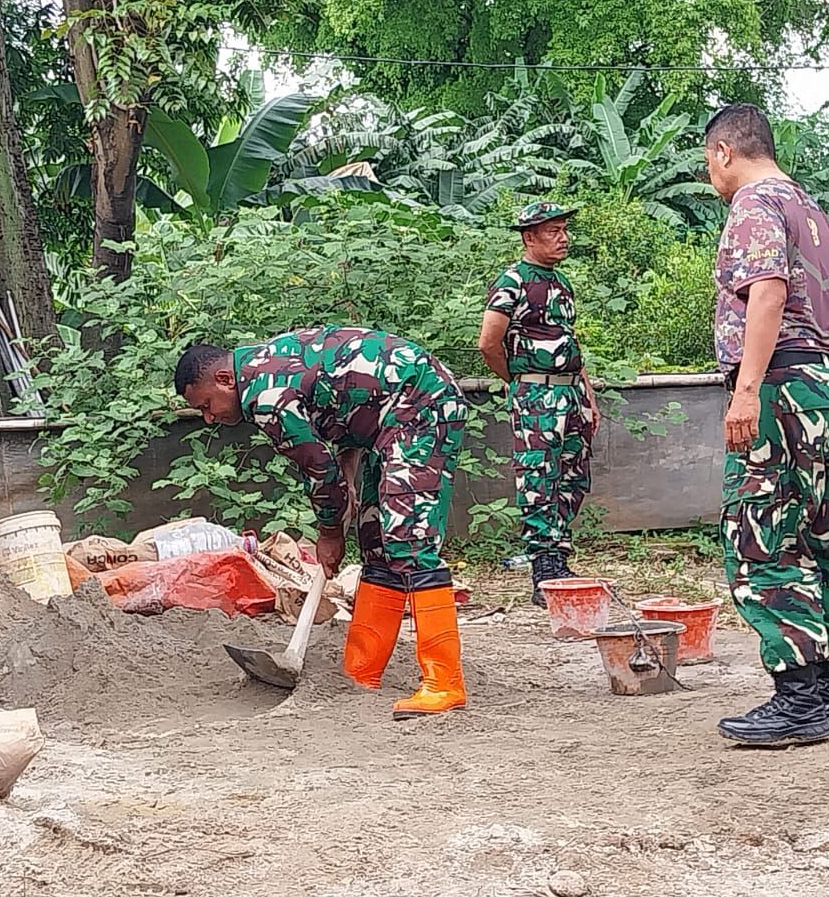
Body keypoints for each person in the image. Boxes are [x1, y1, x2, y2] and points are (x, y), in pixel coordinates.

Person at [174, 326, 468, 719]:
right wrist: (347, 471)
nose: (209, 418)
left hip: (419, 404)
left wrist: (330, 532)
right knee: (376, 540)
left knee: (408, 538)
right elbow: (346, 405)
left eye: (207, 405)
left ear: (225, 379)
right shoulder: (266, 365)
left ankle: (444, 682)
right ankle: (362, 670)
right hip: (388, 420)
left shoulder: (266, 396)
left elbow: (317, 469)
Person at [702, 103, 829, 749]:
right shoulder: (812, 212)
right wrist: (827, 388)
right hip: (827, 386)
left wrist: (747, 393)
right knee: (821, 537)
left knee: (763, 539)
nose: (711, 176)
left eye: (708, 163)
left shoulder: (754, 204)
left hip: (780, 386)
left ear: (724, 152)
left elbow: (765, 292)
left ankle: (797, 698)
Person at [478, 202, 599, 605]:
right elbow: (489, 342)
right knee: (538, 478)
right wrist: (518, 381)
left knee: (573, 475)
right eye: (553, 232)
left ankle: (559, 558)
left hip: (571, 392)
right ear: (529, 238)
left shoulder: (560, 283)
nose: (563, 238)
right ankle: (543, 568)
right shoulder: (513, 281)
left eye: (564, 230)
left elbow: (569, 340)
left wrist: (588, 396)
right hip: (536, 394)